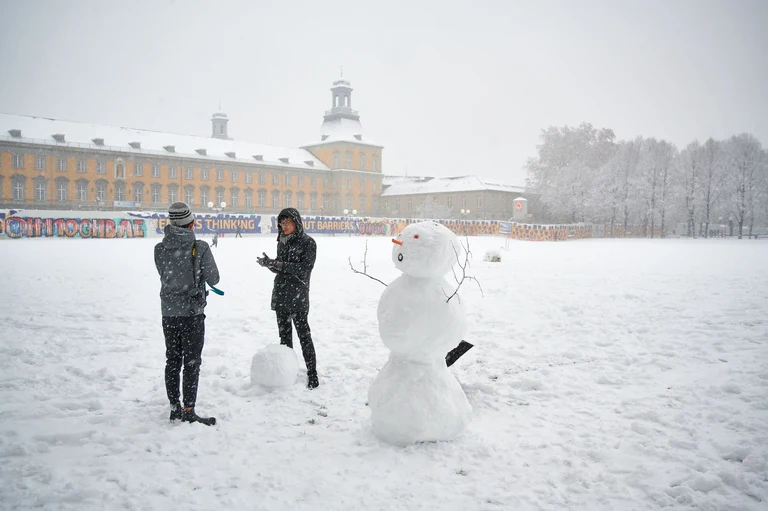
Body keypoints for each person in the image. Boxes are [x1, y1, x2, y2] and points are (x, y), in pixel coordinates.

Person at [155, 202, 220, 425]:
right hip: (192, 314)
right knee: (191, 362)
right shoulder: (200, 247)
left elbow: (165, 275)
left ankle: (174, 408)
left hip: (169, 313)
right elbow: (214, 279)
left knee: (172, 360)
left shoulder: (159, 248)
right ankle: (189, 410)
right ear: (191, 223)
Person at [257, 208, 319, 389]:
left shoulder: (308, 243)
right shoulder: (282, 242)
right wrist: (270, 264)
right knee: (284, 339)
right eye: (282, 223)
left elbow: (304, 269)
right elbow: (281, 268)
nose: (284, 227)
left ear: (296, 223)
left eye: (287, 223)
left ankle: (312, 372)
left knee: (304, 337)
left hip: (298, 297)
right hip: (281, 295)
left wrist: (280, 264)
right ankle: (288, 372)